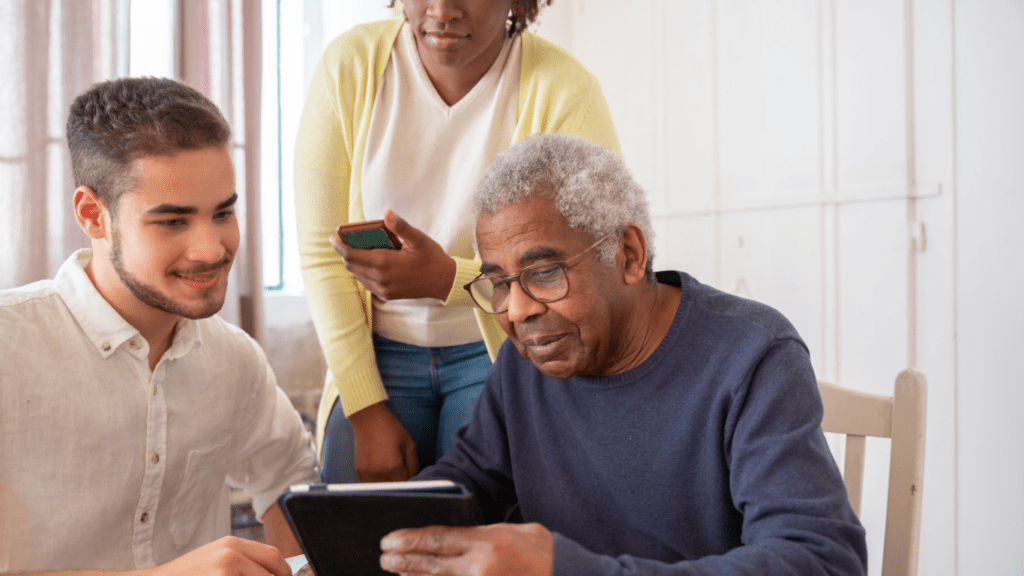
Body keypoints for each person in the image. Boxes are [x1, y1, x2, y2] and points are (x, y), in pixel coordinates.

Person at [376, 133, 869, 576]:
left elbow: (822, 560)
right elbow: (467, 482)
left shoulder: (752, 356)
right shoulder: (526, 362)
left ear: (628, 255)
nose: (518, 310)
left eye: (544, 272)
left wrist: (567, 570)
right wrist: (358, 537)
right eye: (500, 283)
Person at [0, 77, 319, 575]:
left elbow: (288, 482)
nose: (211, 249)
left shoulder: (234, 359)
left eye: (223, 212)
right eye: (172, 221)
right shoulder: (8, 348)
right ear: (93, 214)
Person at [294, 0, 621, 483]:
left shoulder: (565, 88)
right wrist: (365, 411)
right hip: (375, 354)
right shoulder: (351, 66)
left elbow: (591, 264)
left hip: (497, 350)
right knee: (352, 536)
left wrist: (447, 279)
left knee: (479, 532)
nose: (442, 10)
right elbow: (322, 253)